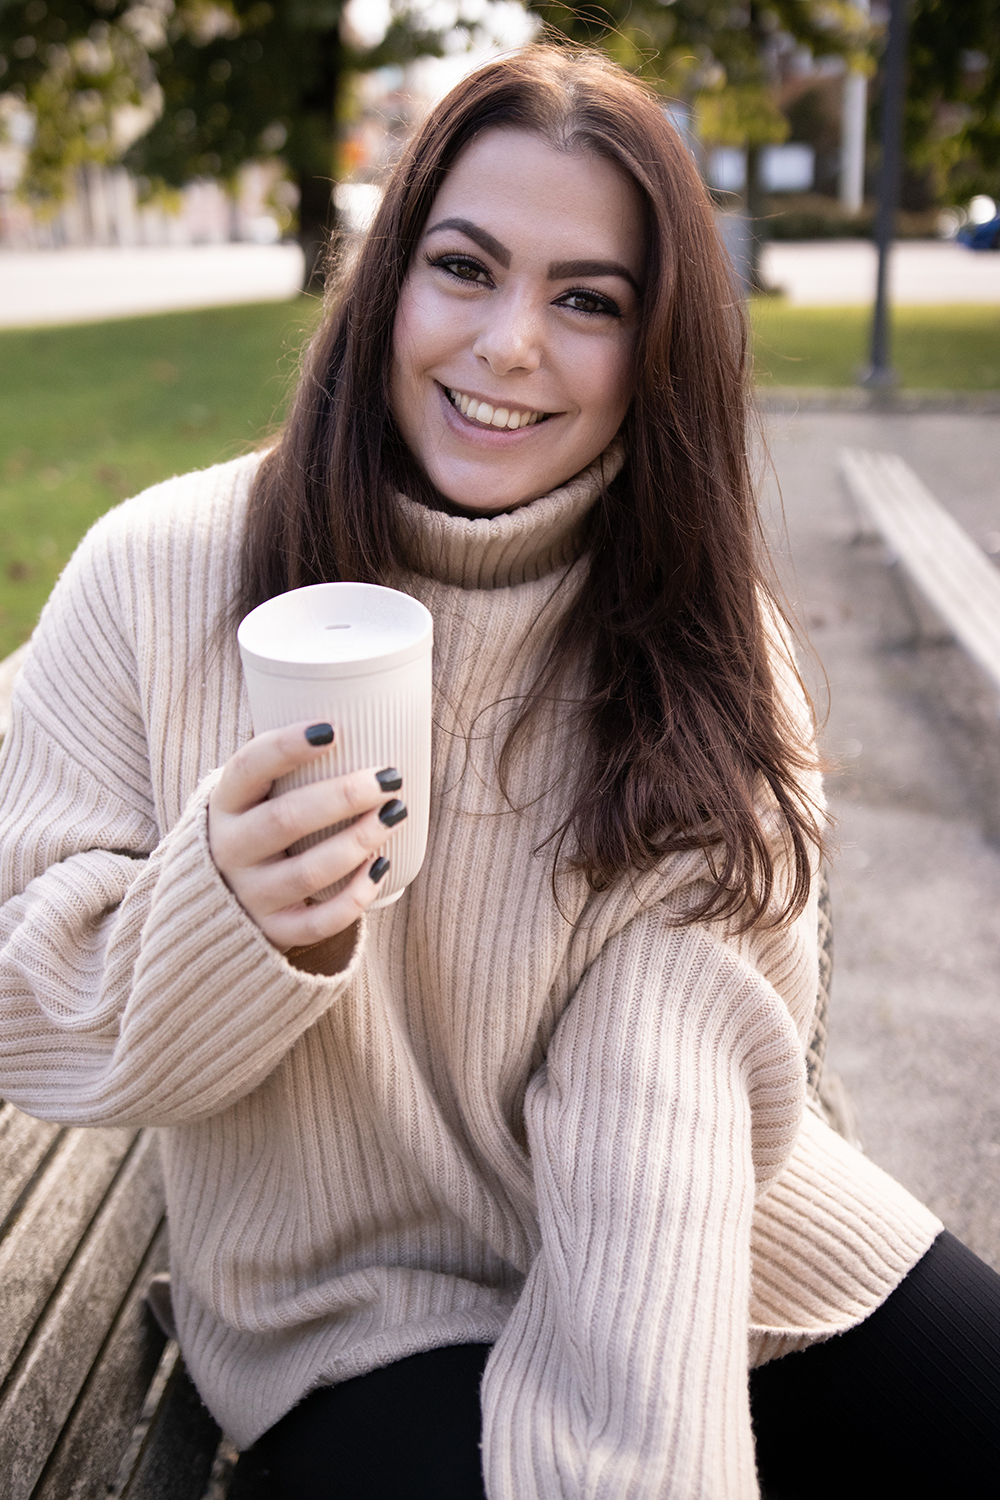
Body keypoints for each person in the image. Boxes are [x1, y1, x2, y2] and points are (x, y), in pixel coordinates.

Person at [0, 45, 997, 1500]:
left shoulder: (703, 641)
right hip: (351, 1304)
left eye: (588, 299)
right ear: (386, 279)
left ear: (658, 349)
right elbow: (30, 1006)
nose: (510, 343)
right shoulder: (161, 578)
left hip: (709, 1226)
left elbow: (654, 1128)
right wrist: (229, 914)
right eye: (464, 268)